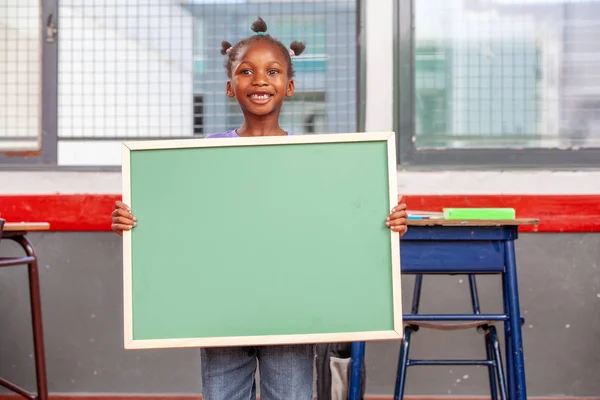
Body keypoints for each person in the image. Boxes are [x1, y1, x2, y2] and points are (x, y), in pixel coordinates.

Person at [110, 17, 408, 400]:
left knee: (289, 394)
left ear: (291, 85)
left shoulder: (315, 159)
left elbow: (337, 222)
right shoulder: (203, 155)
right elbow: (181, 219)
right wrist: (134, 222)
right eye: (246, 71)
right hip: (222, 305)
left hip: (291, 306)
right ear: (230, 88)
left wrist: (387, 223)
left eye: (273, 71)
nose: (260, 80)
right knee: (222, 394)